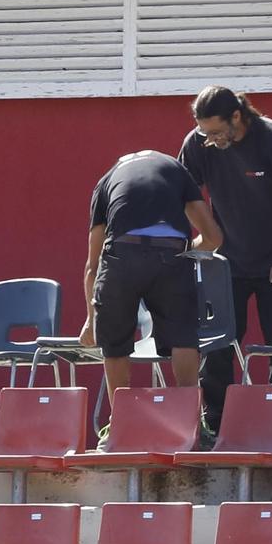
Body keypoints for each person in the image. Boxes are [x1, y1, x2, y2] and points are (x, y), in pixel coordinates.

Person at [180, 85, 272, 434]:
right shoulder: (197, 144)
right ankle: (216, 427)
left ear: (237, 117)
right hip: (227, 263)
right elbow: (182, 199)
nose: (208, 139)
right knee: (218, 347)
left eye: (215, 131)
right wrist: (194, 245)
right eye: (203, 131)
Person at [80, 149, 223, 447]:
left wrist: (91, 320)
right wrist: (179, 249)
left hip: (122, 255)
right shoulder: (176, 170)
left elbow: (92, 263)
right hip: (172, 254)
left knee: (115, 344)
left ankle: (118, 426)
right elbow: (213, 238)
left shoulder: (106, 181)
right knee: (184, 339)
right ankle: (192, 425)